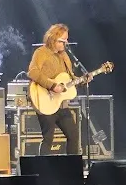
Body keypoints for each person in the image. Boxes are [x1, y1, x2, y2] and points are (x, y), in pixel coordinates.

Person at [27, 23, 88, 155]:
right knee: (48, 138)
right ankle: (42, 171)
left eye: (66, 41)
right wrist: (52, 85)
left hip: (61, 104)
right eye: (62, 41)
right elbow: (32, 72)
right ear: (52, 39)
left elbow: (70, 79)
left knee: (73, 135)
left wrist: (83, 80)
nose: (65, 44)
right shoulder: (41, 52)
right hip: (45, 100)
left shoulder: (65, 56)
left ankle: (71, 169)